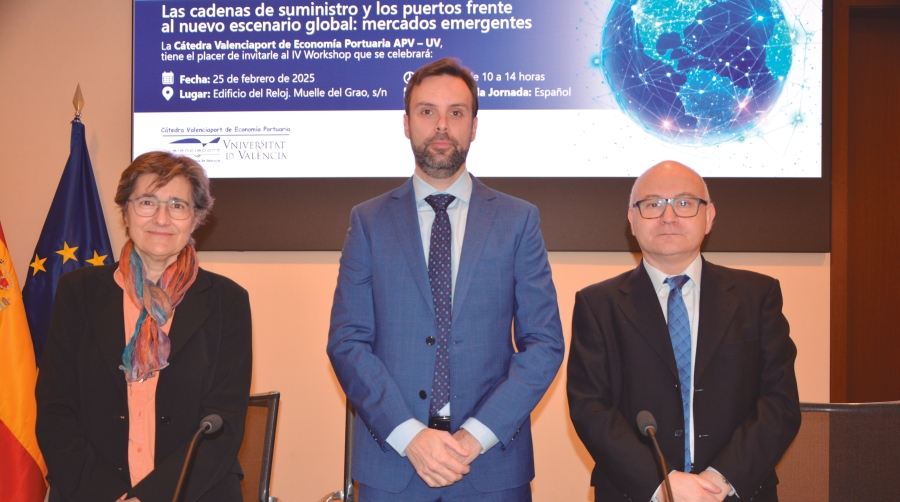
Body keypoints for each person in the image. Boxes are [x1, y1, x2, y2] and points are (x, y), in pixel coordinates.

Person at [326, 58, 565, 500]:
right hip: (392, 464)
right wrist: (409, 436)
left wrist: (475, 436)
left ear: (474, 126)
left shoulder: (518, 220)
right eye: (426, 111)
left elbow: (545, 343)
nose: (441, 125)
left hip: (491, 467)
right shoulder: (368, 222)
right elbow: (347, 342)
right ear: (406, 123)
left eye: (456, 112)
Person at [567, 161, 801, 502]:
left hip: (737, 492)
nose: (668, 216)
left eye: (685, 203)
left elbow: (780, 402)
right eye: (652, 204)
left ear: (710, 217)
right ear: (631, 220)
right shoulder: (596, 304)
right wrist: (661, 483)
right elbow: (590, 408)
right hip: (635, 493)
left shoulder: (757, 296)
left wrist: (721, 479)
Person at [36, 151, 252, 502]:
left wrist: (151, 497)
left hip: (195, 494)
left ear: (196, 218)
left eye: (178, 205)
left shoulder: (227, 301)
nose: (161, 218)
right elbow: (56, 409)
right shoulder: (78, 293)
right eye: (147, 201)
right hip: (90, 493)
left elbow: (222, 424)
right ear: (125, 211)